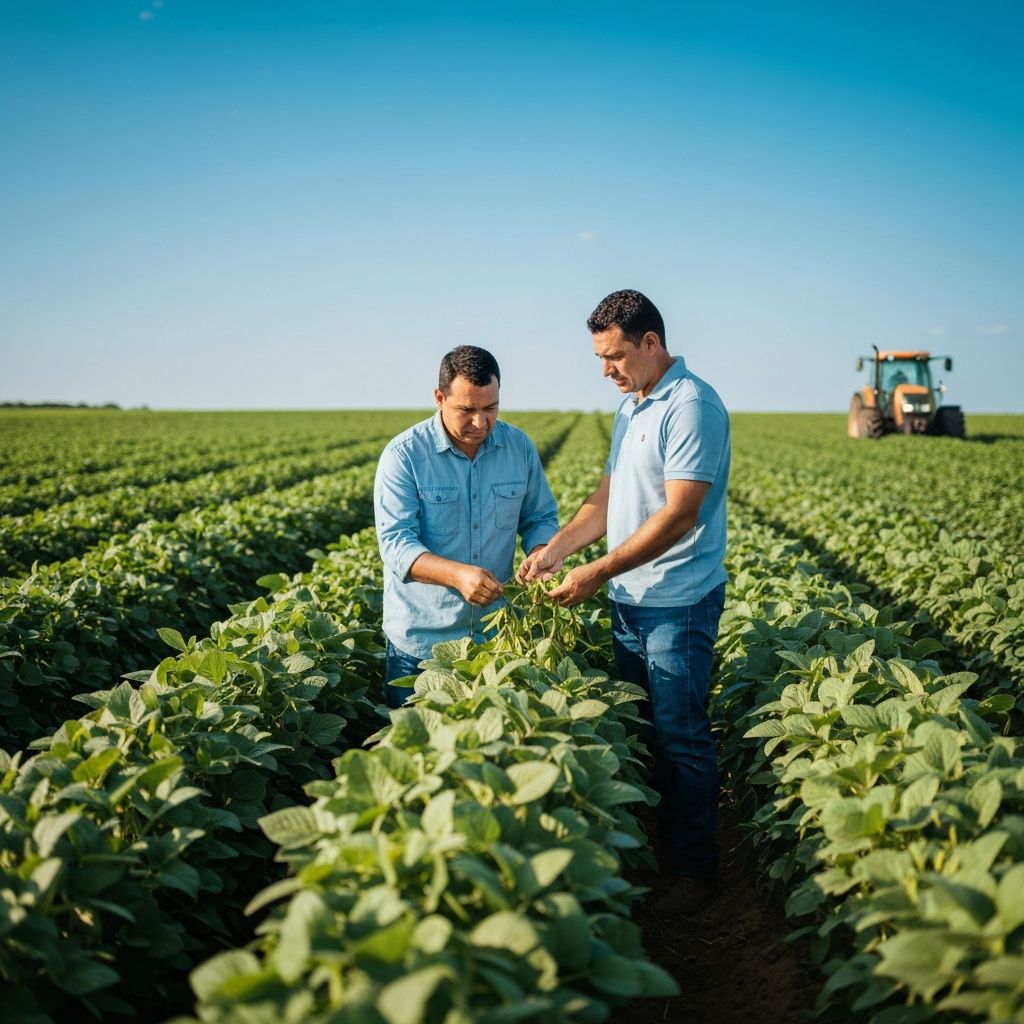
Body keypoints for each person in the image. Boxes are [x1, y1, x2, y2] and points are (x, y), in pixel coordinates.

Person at [520, 289, 730, 915]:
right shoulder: (632, 407)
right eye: (598, 358)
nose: (605, 370)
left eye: (613, 356)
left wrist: (596, 571)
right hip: (630, 600)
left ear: (650, 343)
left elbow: (680, 514)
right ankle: (661, 852)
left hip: (678, 601)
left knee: (682, 737)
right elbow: (609, 496)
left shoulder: (691, 406)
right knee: (646, 730)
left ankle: (696, 871)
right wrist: (558, 548)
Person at [374, 345, 560, 708]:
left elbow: (539, 518)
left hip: (496, 638)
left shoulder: (518, 447)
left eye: (490, 408)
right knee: (418, 756)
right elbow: (396, 545)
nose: (480, 422)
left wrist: (541, 553)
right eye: (466, 410)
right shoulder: (405, 456)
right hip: (422, 644)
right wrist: (457, 575)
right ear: (439, 398)